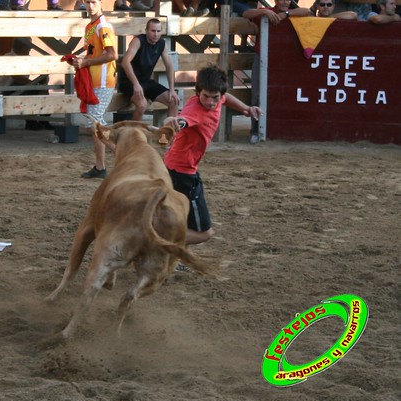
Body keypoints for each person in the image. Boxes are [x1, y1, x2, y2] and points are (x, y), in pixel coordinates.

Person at [163, 65, 262, 245]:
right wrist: (173, 121)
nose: (210, 102)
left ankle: (173, 255)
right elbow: (183, 120)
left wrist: (246, 108)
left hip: (173, 166)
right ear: (197, 92)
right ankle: (155, 241)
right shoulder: (195, 110)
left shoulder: (219, 97)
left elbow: (226, 98)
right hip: (182, 174)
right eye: (205, 96)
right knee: (204, 233)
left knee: (180, 218)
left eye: (215, 97)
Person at [242, 0, 311, 144]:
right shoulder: (268, 11)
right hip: (262, 58)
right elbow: (246, 13)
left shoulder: (295, 12)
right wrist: (264, 11)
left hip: (285, 61)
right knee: (256, 95)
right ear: (275, 1)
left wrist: (286, 14)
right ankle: (255, 130)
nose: (285, 1)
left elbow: (308, 12)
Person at [75, 0, 118, 179]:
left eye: (93, 2)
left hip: (103, 80)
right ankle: (101, 167)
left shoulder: (102, 26)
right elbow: (93, 52)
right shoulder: (91, 26)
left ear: (100, 3)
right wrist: (80, 60)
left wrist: (85, 62)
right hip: (96, 80)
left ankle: (124, 156)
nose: (90, 6)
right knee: (96, 123)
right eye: (87, 2)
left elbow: (112, 54)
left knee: (95, 123)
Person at [118, 18, 180, 122]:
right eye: (153, 31)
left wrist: (172, 89)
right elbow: (125, 62)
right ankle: (135, 136)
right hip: (129, 82)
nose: (156, 34)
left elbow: (169, 66)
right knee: (142, 105)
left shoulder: (161, 44)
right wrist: (136, 84)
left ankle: (168, 136)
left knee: (174, 101)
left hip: (146, 82)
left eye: (158, 31)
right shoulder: (138, 41)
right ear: (146, 30)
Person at [0, 38, 53, 131]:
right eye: (28, 48)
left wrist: (43, 80)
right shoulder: (9, 58)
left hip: (19, 87)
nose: (30, 51)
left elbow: (41, 71)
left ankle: (44, 119)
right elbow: (17, 78)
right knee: (34, 89)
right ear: (22, 48)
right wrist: (36, 85)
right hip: (5, 91)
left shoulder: (26, 58)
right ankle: (31, 121)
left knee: (42, 84)